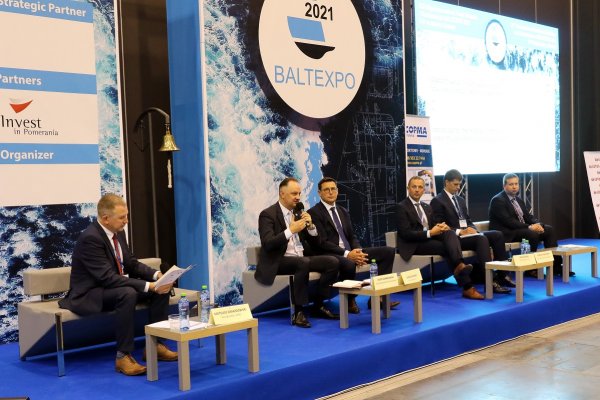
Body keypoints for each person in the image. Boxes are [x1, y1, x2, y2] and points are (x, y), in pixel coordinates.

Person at [58, 194, 177, 376]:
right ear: (106, 218)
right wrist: (149, 285)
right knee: (127, 293)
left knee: (161, 289)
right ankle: (123, 356)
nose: (126, 221)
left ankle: (156, 345)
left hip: (111, 287)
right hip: (90, 293)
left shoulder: (117, 233)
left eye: (126, 216)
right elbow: (107, 278)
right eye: (122, 217)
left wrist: (157, 276)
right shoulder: (90, 238)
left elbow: (131, 264)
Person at [255, 177, 340, 328]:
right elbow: (268, 244)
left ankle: (319, 305)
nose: (298, 197)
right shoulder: (268, 214)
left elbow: (314, 243)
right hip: (279, 261)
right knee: (303, 262)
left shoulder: (299, 213)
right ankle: (299, 311)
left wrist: (311, 226)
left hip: (301, 258)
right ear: (282, 194)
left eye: (299, 193)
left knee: (332, 262)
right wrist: (290, 230)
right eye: (294, 193)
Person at [308, 177, 399, 314]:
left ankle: (378, 298)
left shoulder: (342, 211)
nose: (330, 192)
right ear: (319, 193)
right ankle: (350, 300)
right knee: (349, 263)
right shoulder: (314, 212)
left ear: (337, 191)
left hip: (350, 251)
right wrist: (347, 254)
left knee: (388, 252)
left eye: (333, 189)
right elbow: (322, 242)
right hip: (331, 254)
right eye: (326, 190)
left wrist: (357, 251)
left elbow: (351, 236)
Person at [396, 176, 484, 300]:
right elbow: (406, 234)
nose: (417, 190)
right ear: (408, 188)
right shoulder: (401, 207)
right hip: (413, 244)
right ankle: (466, 284)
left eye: (420, 187)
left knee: (449, 233)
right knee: (445, 247)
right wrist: (430, 233)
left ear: (423, 190)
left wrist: (441, 227)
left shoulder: (426, 207)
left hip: (428, 241)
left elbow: (433, 225)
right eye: (414, 187)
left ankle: (460, 267)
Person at [430, 170, 513, 293]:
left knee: (497, 235)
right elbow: (439, 226)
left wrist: (473, 229)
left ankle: (503, 275)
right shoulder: (437, 201)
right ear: (446, 182)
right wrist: (460, 231)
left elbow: (468, 220)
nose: (458, 187)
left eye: (459, 184)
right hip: (454, 239)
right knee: (481, 239)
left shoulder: (460, 200)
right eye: (455, 184)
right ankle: (490, 281)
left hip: (467, 235)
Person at [489, 173, 564, 275]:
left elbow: (528, 217)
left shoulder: (518, 200)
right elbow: (509, 221)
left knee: (549, 229)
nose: (514, 187)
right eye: (511, 184)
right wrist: (530, 227)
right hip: (507, 232)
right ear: (504, 186)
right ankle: (531, 268)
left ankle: (556, 266)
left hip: (519, 229)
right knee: (531, 234)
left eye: (516, 184)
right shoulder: (498, 200)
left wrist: (538, 224)